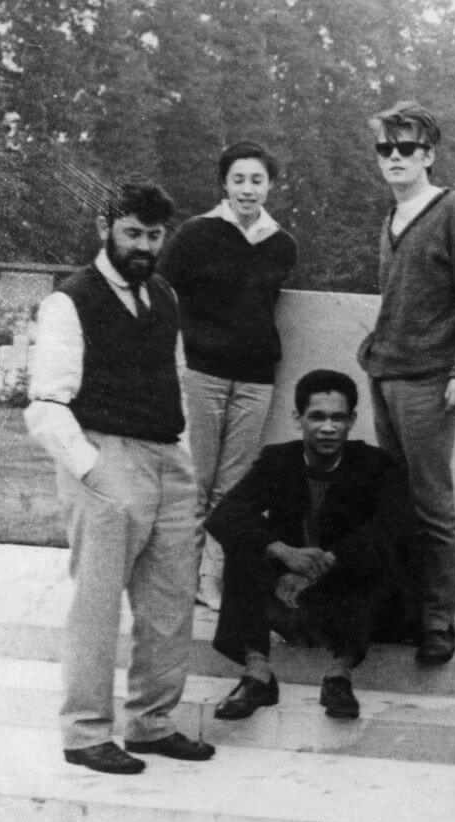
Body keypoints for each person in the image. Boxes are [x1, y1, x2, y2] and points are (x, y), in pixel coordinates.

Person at [25, 181, 215, 773]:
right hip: (105, 456)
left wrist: (181, 456)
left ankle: (152, 724)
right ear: (106, 227)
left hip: (167, 460)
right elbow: (45, 404)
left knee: (169, 605)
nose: (144, 246)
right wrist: (93, 469)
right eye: (132, 232)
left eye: (154, 235)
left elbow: (174, 379)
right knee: (98, 604)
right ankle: (85, 733)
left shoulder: (164, 296)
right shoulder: (70, 300)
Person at [359, 100, 455, 665]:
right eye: (385, 149)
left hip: (430, 381)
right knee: (396, 503)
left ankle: (438, 622)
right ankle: (405, 612)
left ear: (428, 155)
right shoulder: (387, 221)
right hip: (384, 374)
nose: (394, 157)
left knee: (433, 504)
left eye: (406, 148)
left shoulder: (453, 208)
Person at [206, 369, 411, 721]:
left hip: (343, 592)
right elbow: (224, 515)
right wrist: (283, 552)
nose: (328, 427)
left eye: (338, 417)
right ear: (298, 418)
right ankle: (257, 674)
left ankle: (339, 676)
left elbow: (398, 524)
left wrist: (327, 562)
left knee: (382, 548)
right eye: (317, 417)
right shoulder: (277, 460)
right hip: (285, 591)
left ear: (352, 421)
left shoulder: (375, 465)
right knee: (246, 538)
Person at [159, 140, 299, 611]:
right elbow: (161, 294)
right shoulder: (195, 234)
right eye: (238, 179)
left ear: (270, 186)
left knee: (233, 488)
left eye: (257, 180)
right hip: (202, 373)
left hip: (256, 380)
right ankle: (180, 578)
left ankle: (212, 581)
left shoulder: (282, 244)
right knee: (195, 482)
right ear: (224, 183)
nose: (247, 189)